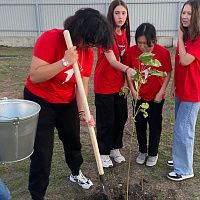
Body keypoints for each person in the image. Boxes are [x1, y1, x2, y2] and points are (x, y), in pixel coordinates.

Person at [23, 8, 113, 200]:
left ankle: (75, 172)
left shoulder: (87, 54)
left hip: (66, 101)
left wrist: (83, 112)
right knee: (42, 152)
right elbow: (35, 76)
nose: (89, 47)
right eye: (89, 42)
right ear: (78, 31)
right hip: (40, 100)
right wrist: (64, 62)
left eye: (93, 44)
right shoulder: (50, 39)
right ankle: (37, 195)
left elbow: (82, 87)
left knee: (73, 141)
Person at [167, 0, 200, 181]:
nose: (184, 17)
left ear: (197, 16)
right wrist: (174, 85)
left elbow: (185, 59)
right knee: (180, 127)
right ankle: (179, 158)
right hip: (182, 90)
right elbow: (179, 64)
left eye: (189, 13)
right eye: (183, 13)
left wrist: (179, 38)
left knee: (183, 130)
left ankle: (185, 169)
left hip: (193, 93)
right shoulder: (187, 37)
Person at [94, 0, 136, 168]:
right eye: (117, 13)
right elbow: (111, 60)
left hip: (119, 86)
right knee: (106, 120)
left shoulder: (125, 34)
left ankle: (115, 148)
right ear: (111, 14)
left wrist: (127, 84)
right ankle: (103, 152)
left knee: (121, 117)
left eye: (123, 13)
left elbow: (124, 58)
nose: (120, 17)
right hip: (104, 85)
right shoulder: (105, 34)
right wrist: (128, 70)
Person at [124, 23, 172, 167]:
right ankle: (142, 151)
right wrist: (132, 90)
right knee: (140, 125)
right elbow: (128, 72)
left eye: (146, 44)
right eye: (139, 43)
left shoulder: (162, 52)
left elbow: (168, 72)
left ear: (154, 41)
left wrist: (161, 92)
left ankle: (152, 153)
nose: (142, 47)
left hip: (156, 97)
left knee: (155, 125)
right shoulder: (131, 52)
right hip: (139, 96)